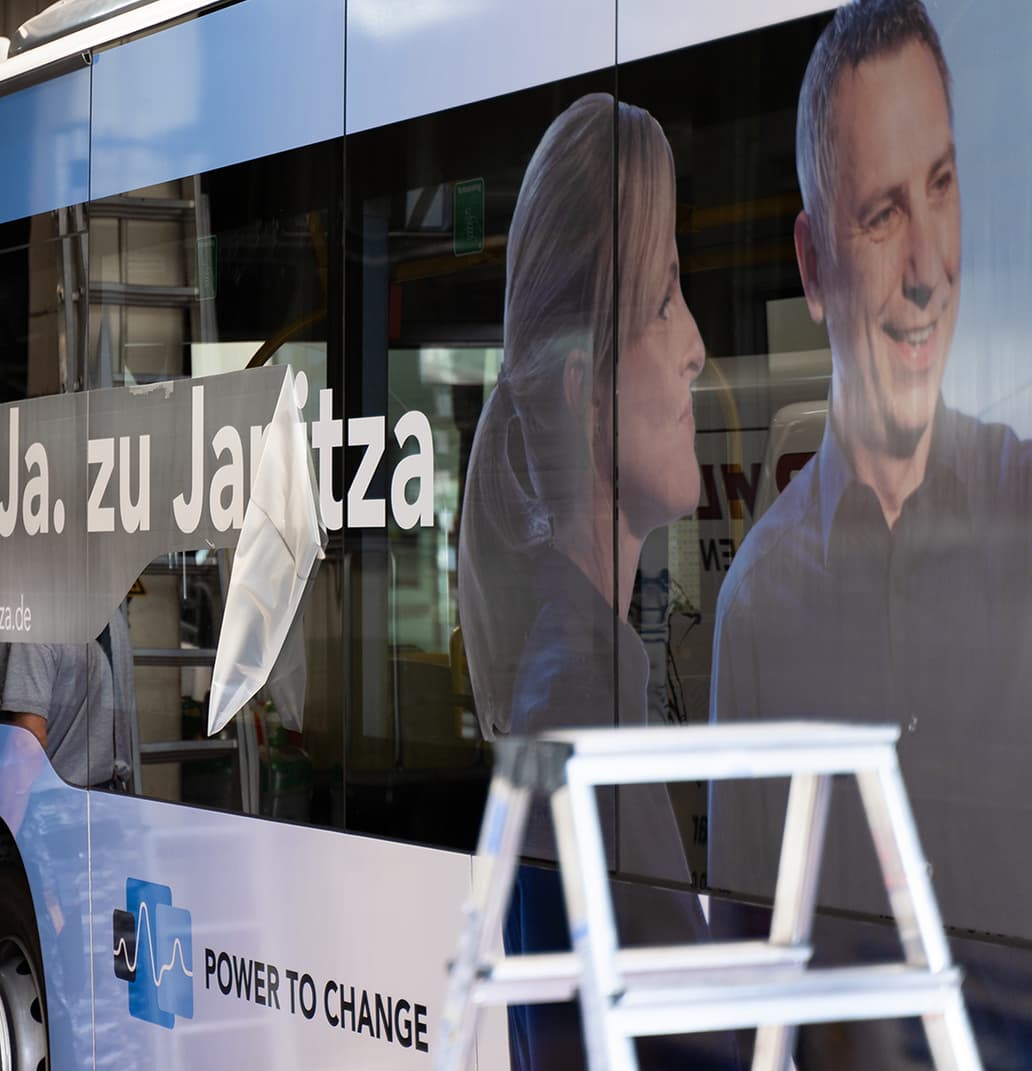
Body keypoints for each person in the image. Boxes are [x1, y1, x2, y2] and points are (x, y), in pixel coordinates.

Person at [708, 0, 1032, 939]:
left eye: (941, 186)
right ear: (814, 269)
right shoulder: (760, 607)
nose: (930, 266)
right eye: (884, 214)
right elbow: (747, 969)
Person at [456, 92, 715, 1069]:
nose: (696, 345)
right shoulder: (582, 700)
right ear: (585, 393)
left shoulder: (580, 667)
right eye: (665, 300)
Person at [0, 598, 136, 790]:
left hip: (53, 797)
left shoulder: (34, 623)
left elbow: (28, 741)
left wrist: (11, 807)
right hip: (108, 795)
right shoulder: (113, 619)